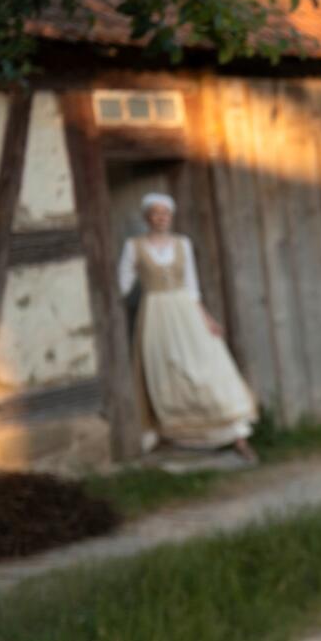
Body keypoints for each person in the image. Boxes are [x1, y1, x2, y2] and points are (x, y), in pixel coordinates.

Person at [117, 193, 257, 461]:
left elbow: (192, 286)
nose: (161, 218)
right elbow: (122, 283)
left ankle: (233, 432)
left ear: (171, 216)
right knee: (167, 369)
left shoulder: (183, 244)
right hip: (156, 312)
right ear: (148, 217)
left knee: (206, 365)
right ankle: (179, 434)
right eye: (156, 213)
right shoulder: (134, 246)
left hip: (185, 309)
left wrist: (207, 319)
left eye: (165, 213)